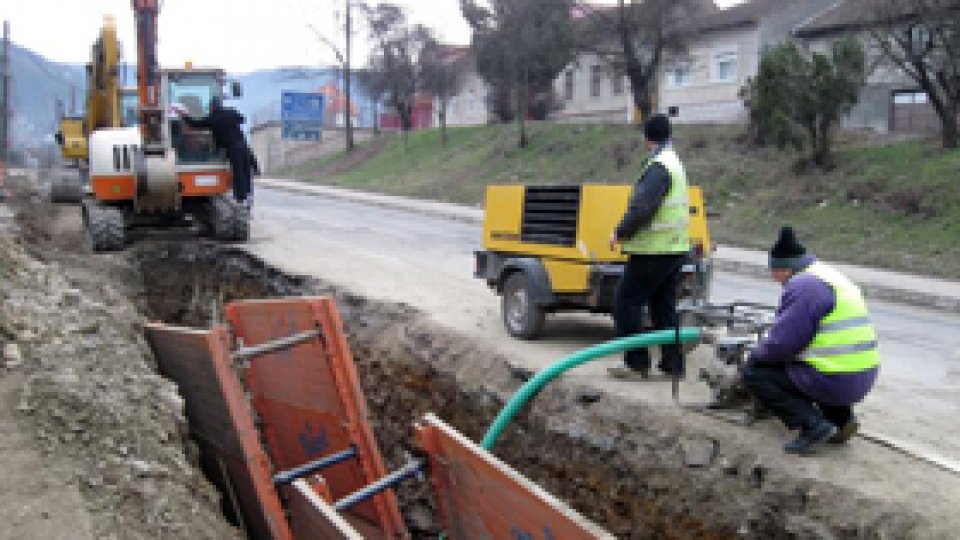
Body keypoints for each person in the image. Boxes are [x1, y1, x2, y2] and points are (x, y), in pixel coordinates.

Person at [744, 226, 880, 455]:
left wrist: (757, 353)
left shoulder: (803, 286)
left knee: (756, 373)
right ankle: (841, 419)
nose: (773, 278)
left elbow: (783, 344)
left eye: (773, 272)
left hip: (835, 380)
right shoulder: (827, 274)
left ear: (783, 269)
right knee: (812, 365)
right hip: (862, 375)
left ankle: (812, 426)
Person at [607, 114, 690, 380]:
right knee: (662, 306)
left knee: (626, 302)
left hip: (653, 250)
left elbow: (642, 207)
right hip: (674, 249)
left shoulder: (658, 167)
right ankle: (672, 364)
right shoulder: (675, 162)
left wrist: (619, 232)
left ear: (647, 138)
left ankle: (635, 363)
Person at [178, 96, 255, 204]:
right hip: (243, 146)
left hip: (232, 149)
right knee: (245, 170)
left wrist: (184, 116)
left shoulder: (213, 118)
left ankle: (241, 198)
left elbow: (195, 124)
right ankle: (247, 196)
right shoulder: (231, 112)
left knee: (238, 172)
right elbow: (242, 119)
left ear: (212, 107)